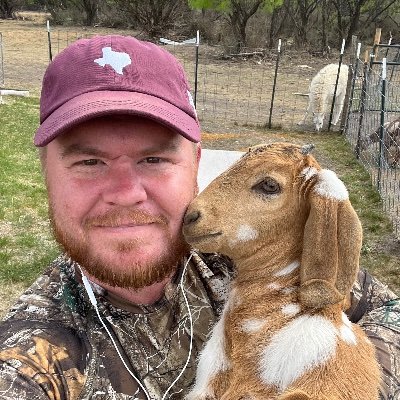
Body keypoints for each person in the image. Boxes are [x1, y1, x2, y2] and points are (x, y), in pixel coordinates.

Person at [0, 35, 398, 400]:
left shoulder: (242, 250)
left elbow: (388, 310)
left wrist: (342, 380)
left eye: (154, 159)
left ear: (196, 165)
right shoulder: (31, 356)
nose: (126, 194)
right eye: (89, 161)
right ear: (45, 173)